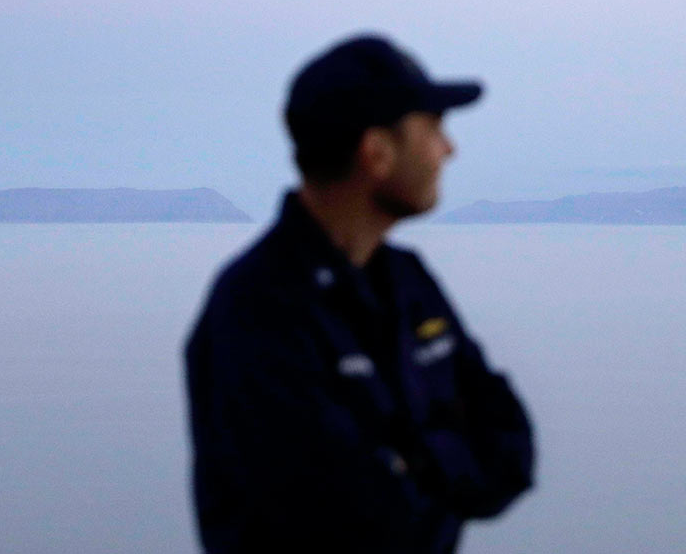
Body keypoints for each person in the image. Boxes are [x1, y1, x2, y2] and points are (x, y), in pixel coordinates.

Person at [184, 34, 534, 554]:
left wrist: (408, 460)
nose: (448, 149)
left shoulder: (408, 281)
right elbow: (359, 519)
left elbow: (510, 450)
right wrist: (441, 451)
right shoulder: (258, 308)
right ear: (377, 152)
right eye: (433, 128)